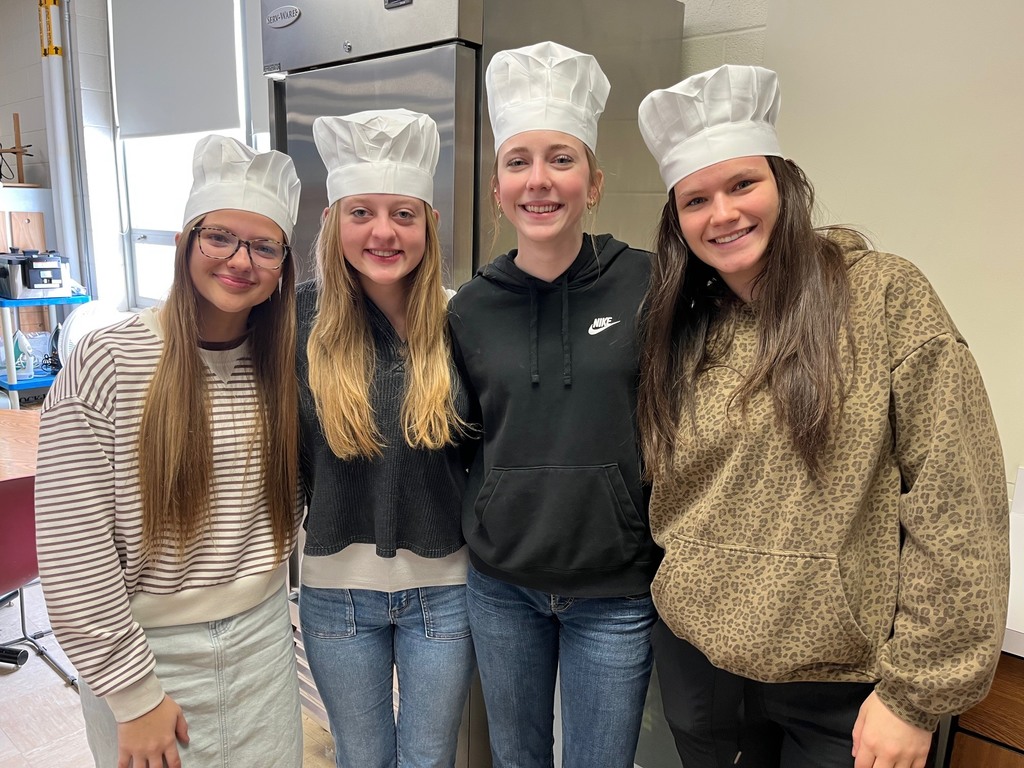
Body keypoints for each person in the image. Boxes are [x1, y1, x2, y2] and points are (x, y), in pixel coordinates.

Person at [636, 64, 1010, 768]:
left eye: (742, 184)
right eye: (695, 200)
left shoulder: (883, 297)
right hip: (702, 673)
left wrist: (914, 696)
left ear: (784, 183)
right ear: (676, 219)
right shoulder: (678, 329)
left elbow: (957, 506)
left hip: (845, 691)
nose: (722, 215)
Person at [34, 135, 304, 768]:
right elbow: (74, 551)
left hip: (264, 640)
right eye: (220, 237)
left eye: (265, 246)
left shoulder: (282, 368)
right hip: (149, 652)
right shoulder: (107, 361)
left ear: (284, 266)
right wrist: (133, 696)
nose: (241, 261)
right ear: (186, 241)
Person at [448, 41, 662, 768]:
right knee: (517, 760)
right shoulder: (470, 308)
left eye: (560, 160)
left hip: (616, 589)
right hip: (503, 587)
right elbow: (461, 438)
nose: (539, 181)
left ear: (594, 183)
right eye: (519, 162)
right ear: (499, 187)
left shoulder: (648, 285)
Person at [296, 108, 475, 768]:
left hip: (447, 593)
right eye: (362, 212)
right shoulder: (299, 325)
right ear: (333, 222)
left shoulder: (464, 319)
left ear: (427, 224)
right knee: (362, 757)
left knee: (429, 760)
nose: (383, 231)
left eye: (404, 213)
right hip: (336, 596)